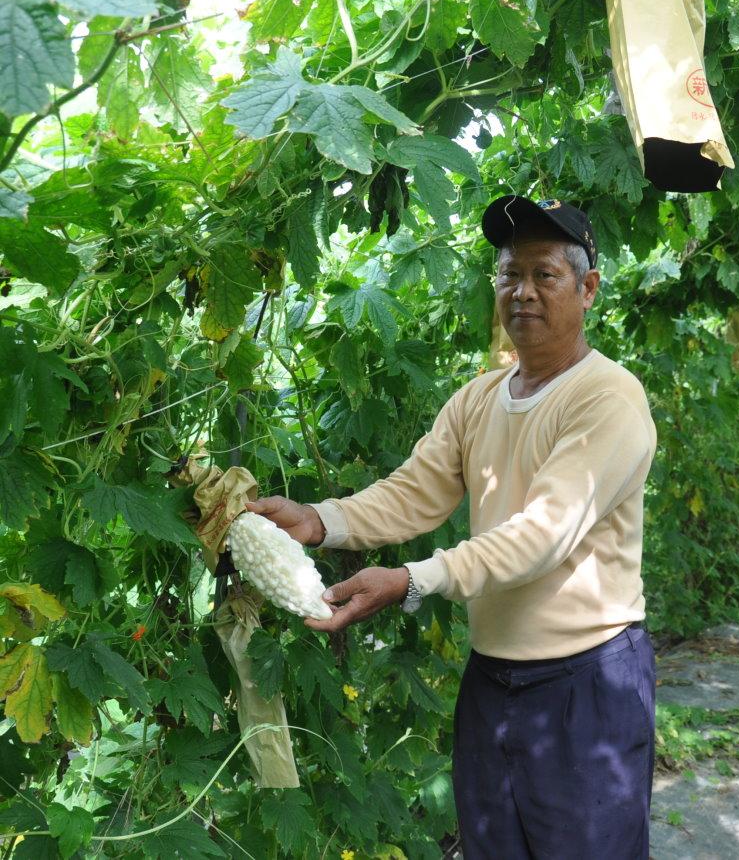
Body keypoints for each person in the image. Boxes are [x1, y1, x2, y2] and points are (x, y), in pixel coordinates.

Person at [244, 195, 658, 859]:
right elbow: (415, 492)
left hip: (587, 684)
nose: (521, 291)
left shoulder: (607, 398)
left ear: (588, 289)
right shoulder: (479, 399)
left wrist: (414, 579)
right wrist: (319, 520)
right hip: (494, 680)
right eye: (507, 274)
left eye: (544, 275)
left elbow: (543, 534)